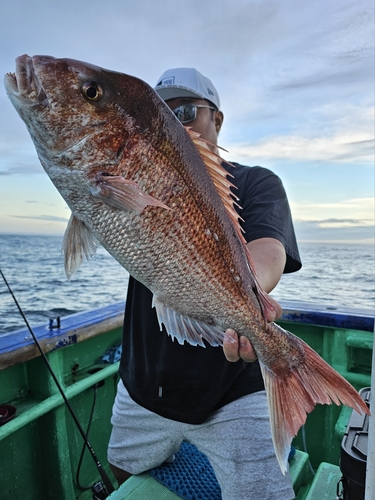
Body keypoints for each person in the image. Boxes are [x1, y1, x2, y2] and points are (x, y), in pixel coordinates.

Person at [107, 68, 302, 500]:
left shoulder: (255, 182)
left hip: (236, 386)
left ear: (219, 120)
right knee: (122, 465)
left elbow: (270, 250)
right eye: (162, 113)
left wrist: (249, 305)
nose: (177, 122)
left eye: (188, 111)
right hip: (144, 379)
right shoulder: (134, 175)